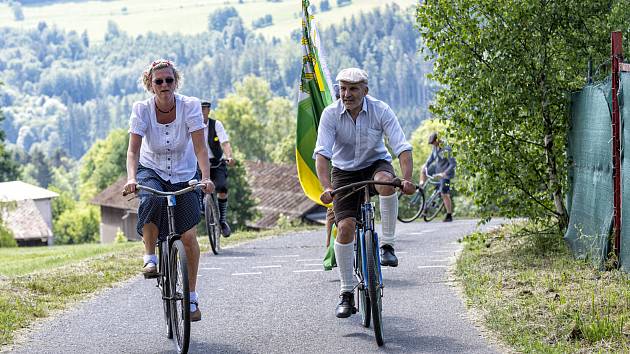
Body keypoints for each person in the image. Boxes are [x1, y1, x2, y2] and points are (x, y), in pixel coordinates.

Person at [314, 67, 415, 318]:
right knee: (345, 227)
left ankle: (387, 246)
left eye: (353, 89)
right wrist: (326, 187)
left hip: (375, 164)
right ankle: (346, 292)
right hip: (344, 171)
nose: (346, 94)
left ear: (365, 91)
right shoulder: (330, 114)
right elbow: (323, 155)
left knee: (385, 181)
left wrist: (408, 179)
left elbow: (401, 147)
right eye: (343, 88)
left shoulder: (381, 110)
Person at [123, 59, 214, 322]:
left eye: (169, 80)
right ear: (150, 85)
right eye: (159, 81)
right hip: (152, 169)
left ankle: (192, 298)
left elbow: (199, 148)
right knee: (150, 198)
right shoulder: (141, 109)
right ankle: (150, 256)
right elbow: (133, 150)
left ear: (176, 82)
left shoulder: (190, 106)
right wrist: (131, 178)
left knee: (188, 237)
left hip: (185, 172)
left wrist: (205, 177)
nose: (164, 85)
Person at [200, 100, 236, 237]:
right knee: (196, 189)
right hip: (199, 163)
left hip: (216, 161)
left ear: (209, 110)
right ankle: (203, 209)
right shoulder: (192, 125)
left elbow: (225, 143)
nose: (203, 111)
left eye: (205, 109)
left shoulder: (216, 124)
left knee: (222, 187)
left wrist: (229, 156)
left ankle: (222, 220)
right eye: (201, 109)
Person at [420, 132, 457, 222]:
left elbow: (453, 164)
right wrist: (426, 165)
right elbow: (431, 158)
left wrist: (445, 173)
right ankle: (421, 186)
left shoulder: (447, 149)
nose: (432, 144)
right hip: (438, 172)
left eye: (433, 142)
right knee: (423, 169)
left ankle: (449, 215)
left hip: (447, 175)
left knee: (444, 193)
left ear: (438, 140)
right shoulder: (435, 148)